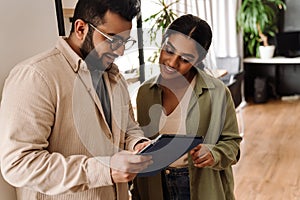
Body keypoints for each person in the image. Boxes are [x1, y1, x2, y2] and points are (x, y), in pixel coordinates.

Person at [0, 0, 152, 199]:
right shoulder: (37, 76)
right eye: (113, 40)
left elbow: (128, 129)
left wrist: (137, 144)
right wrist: (104, 171)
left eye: (125, 42)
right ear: (81, 28)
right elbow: (18, 164)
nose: (121, 51)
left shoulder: (114, 77)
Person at [131, 14, 242, 200]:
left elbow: (233, 147)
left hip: (201, 188)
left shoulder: (218, 93)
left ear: (198, 60)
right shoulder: (145, 93)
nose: (172, 63)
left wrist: (214, 153)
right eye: (168, 50)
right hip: (155, 187)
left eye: (185, 59)